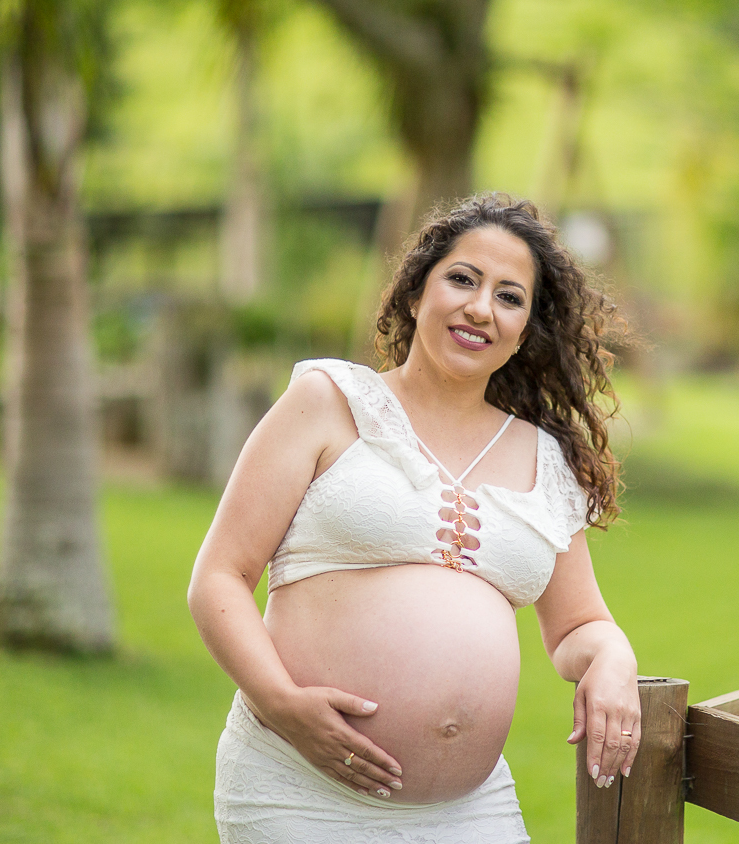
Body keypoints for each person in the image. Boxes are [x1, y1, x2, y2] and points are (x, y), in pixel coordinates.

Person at [188, 193, 640, 843]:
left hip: (472, 813)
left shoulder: (547, 462)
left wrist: (614, 655)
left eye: (509, 297)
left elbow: (578, 627)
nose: (481, 308)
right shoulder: (329, 403)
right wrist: (281, 705)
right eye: (462, 279)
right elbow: (220, 576)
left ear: (525, 330)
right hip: (301, 791)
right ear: (414, 292)